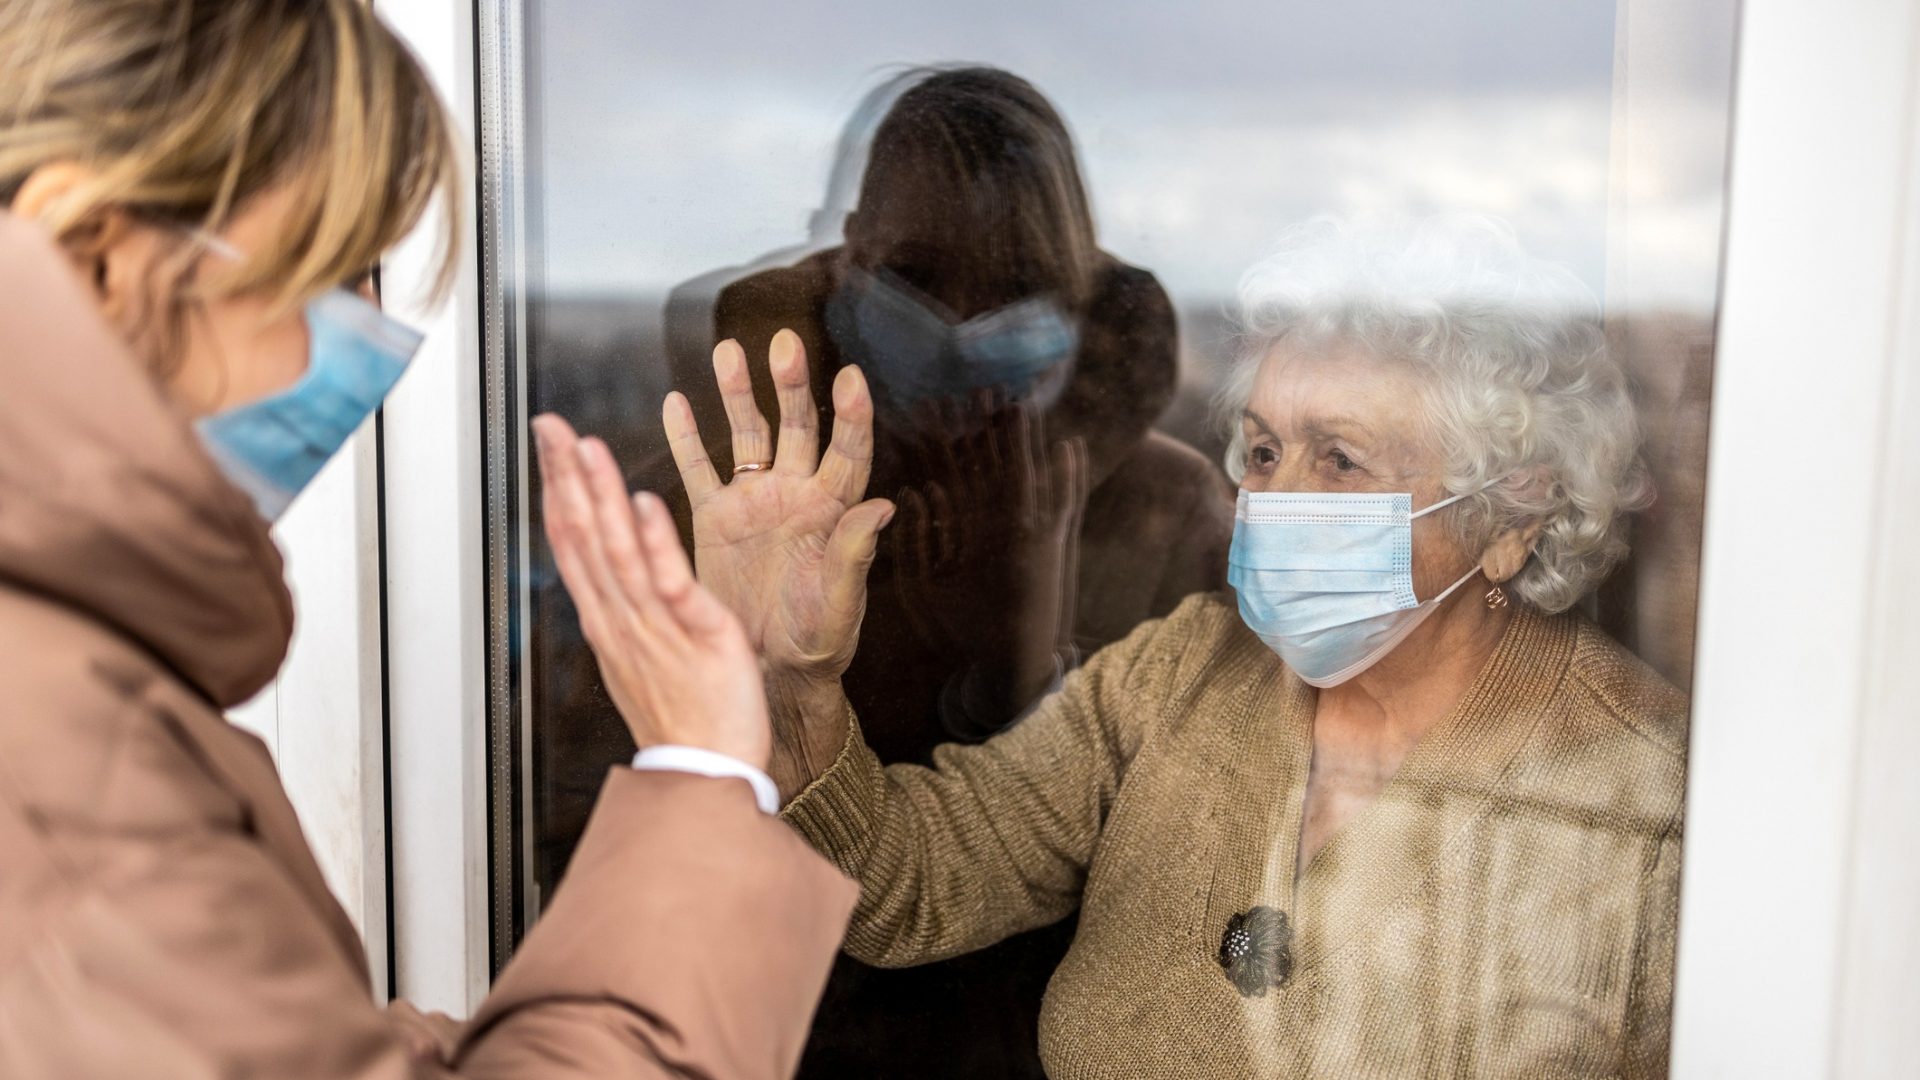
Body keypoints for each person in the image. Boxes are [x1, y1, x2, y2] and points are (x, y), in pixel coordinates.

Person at [0, 2, 853, 1077]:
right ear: (93, 252)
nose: (368, 336)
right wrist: (699, 772)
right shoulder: (67, 785)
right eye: (321, 270)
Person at [659, 216, 1688, 1077]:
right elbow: (908, 879)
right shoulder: (1186, 666)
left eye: (1340, 460)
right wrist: (790, 687)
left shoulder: (1651, 808)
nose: (1271, 504)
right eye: (1267, 451)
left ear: (1515, 511)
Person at [641, 66, 1231, 1077]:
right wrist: (756, 683)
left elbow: (1185, 863)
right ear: (850, 252)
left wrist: (1023, 648)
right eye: (914, 274)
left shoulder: (1170, 512)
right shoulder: (703, 503)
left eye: (1014, 289)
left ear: (1078, 295)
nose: (959, 322)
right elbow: (605, 826)